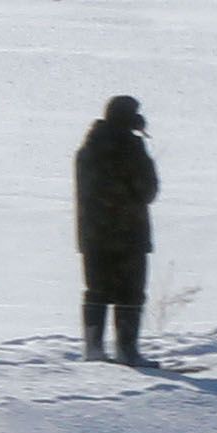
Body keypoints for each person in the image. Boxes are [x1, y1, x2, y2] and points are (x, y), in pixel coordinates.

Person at [73, 93, 160, 363]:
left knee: (96, 290)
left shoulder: (87, 149)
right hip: (128, 234)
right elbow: (148, 190)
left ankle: (93, 349)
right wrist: (141, 147)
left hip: (93, 235)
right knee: (130, 293)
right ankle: (127, 351)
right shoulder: (131, 148)